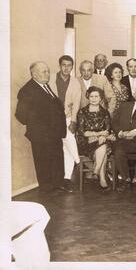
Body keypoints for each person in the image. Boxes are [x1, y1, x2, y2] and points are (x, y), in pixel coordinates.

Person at [15, 61, 69, 192]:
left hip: (54, 134)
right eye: (44, 71)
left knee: (56, 158)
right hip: (41, 136)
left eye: (47, 71)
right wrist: (39, 126)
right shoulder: (27, 90)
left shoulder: (44, 86)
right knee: (43, 161)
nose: (47, 74)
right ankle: (47, 188)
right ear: (34, 74)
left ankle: (57, 184)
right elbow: (21, 115)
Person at [49, 55, 81, 190]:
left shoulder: (75, 82)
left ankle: (67, 177)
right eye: (64, 65)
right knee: (64, 145)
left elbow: (77, 102)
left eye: (69, 65)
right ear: (59, 65)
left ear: (72, 67)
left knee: (68, 143)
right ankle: (79, 161)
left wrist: (73, 120)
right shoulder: (50, 79)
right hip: (52, 119)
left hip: (67, 118)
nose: (66, 68)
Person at [76, 86, 115, 191]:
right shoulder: (82, 112)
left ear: (100, 98)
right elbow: (82, 132)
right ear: (88, 97)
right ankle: (101, 178)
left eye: (96, 96)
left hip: (101, 141)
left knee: (103, 145)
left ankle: (96, 172)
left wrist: (100, 136)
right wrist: (99, 134)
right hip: (85, 142)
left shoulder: (105, 112)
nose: (94, 98)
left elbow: (107, 130)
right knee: (104, 147)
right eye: (91, 96)